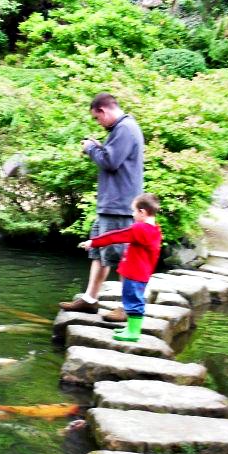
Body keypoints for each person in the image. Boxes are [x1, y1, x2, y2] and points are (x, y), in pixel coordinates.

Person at [60, 93, 144, 315]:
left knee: (120, 256)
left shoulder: (125, 128)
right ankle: (90, 299)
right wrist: (99, 147)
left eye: (97, 119)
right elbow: (111, 156)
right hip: (110, 205)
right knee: (99, 253)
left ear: (103, 111)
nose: (98, 123)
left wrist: (90, 148)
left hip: (119, 206)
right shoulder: (121, 129)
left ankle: (127, 307)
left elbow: (110, 162)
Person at [78, 193, 162, 342]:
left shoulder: (140, 229)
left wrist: (93, 242)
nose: (132, 214)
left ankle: (133, 333)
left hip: (135, 275)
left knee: (134, 302)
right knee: (131, 301)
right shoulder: (155, 230)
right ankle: (130, 327)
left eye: (134, 211)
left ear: (142, 212)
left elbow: (116, 236)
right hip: (141, 274)